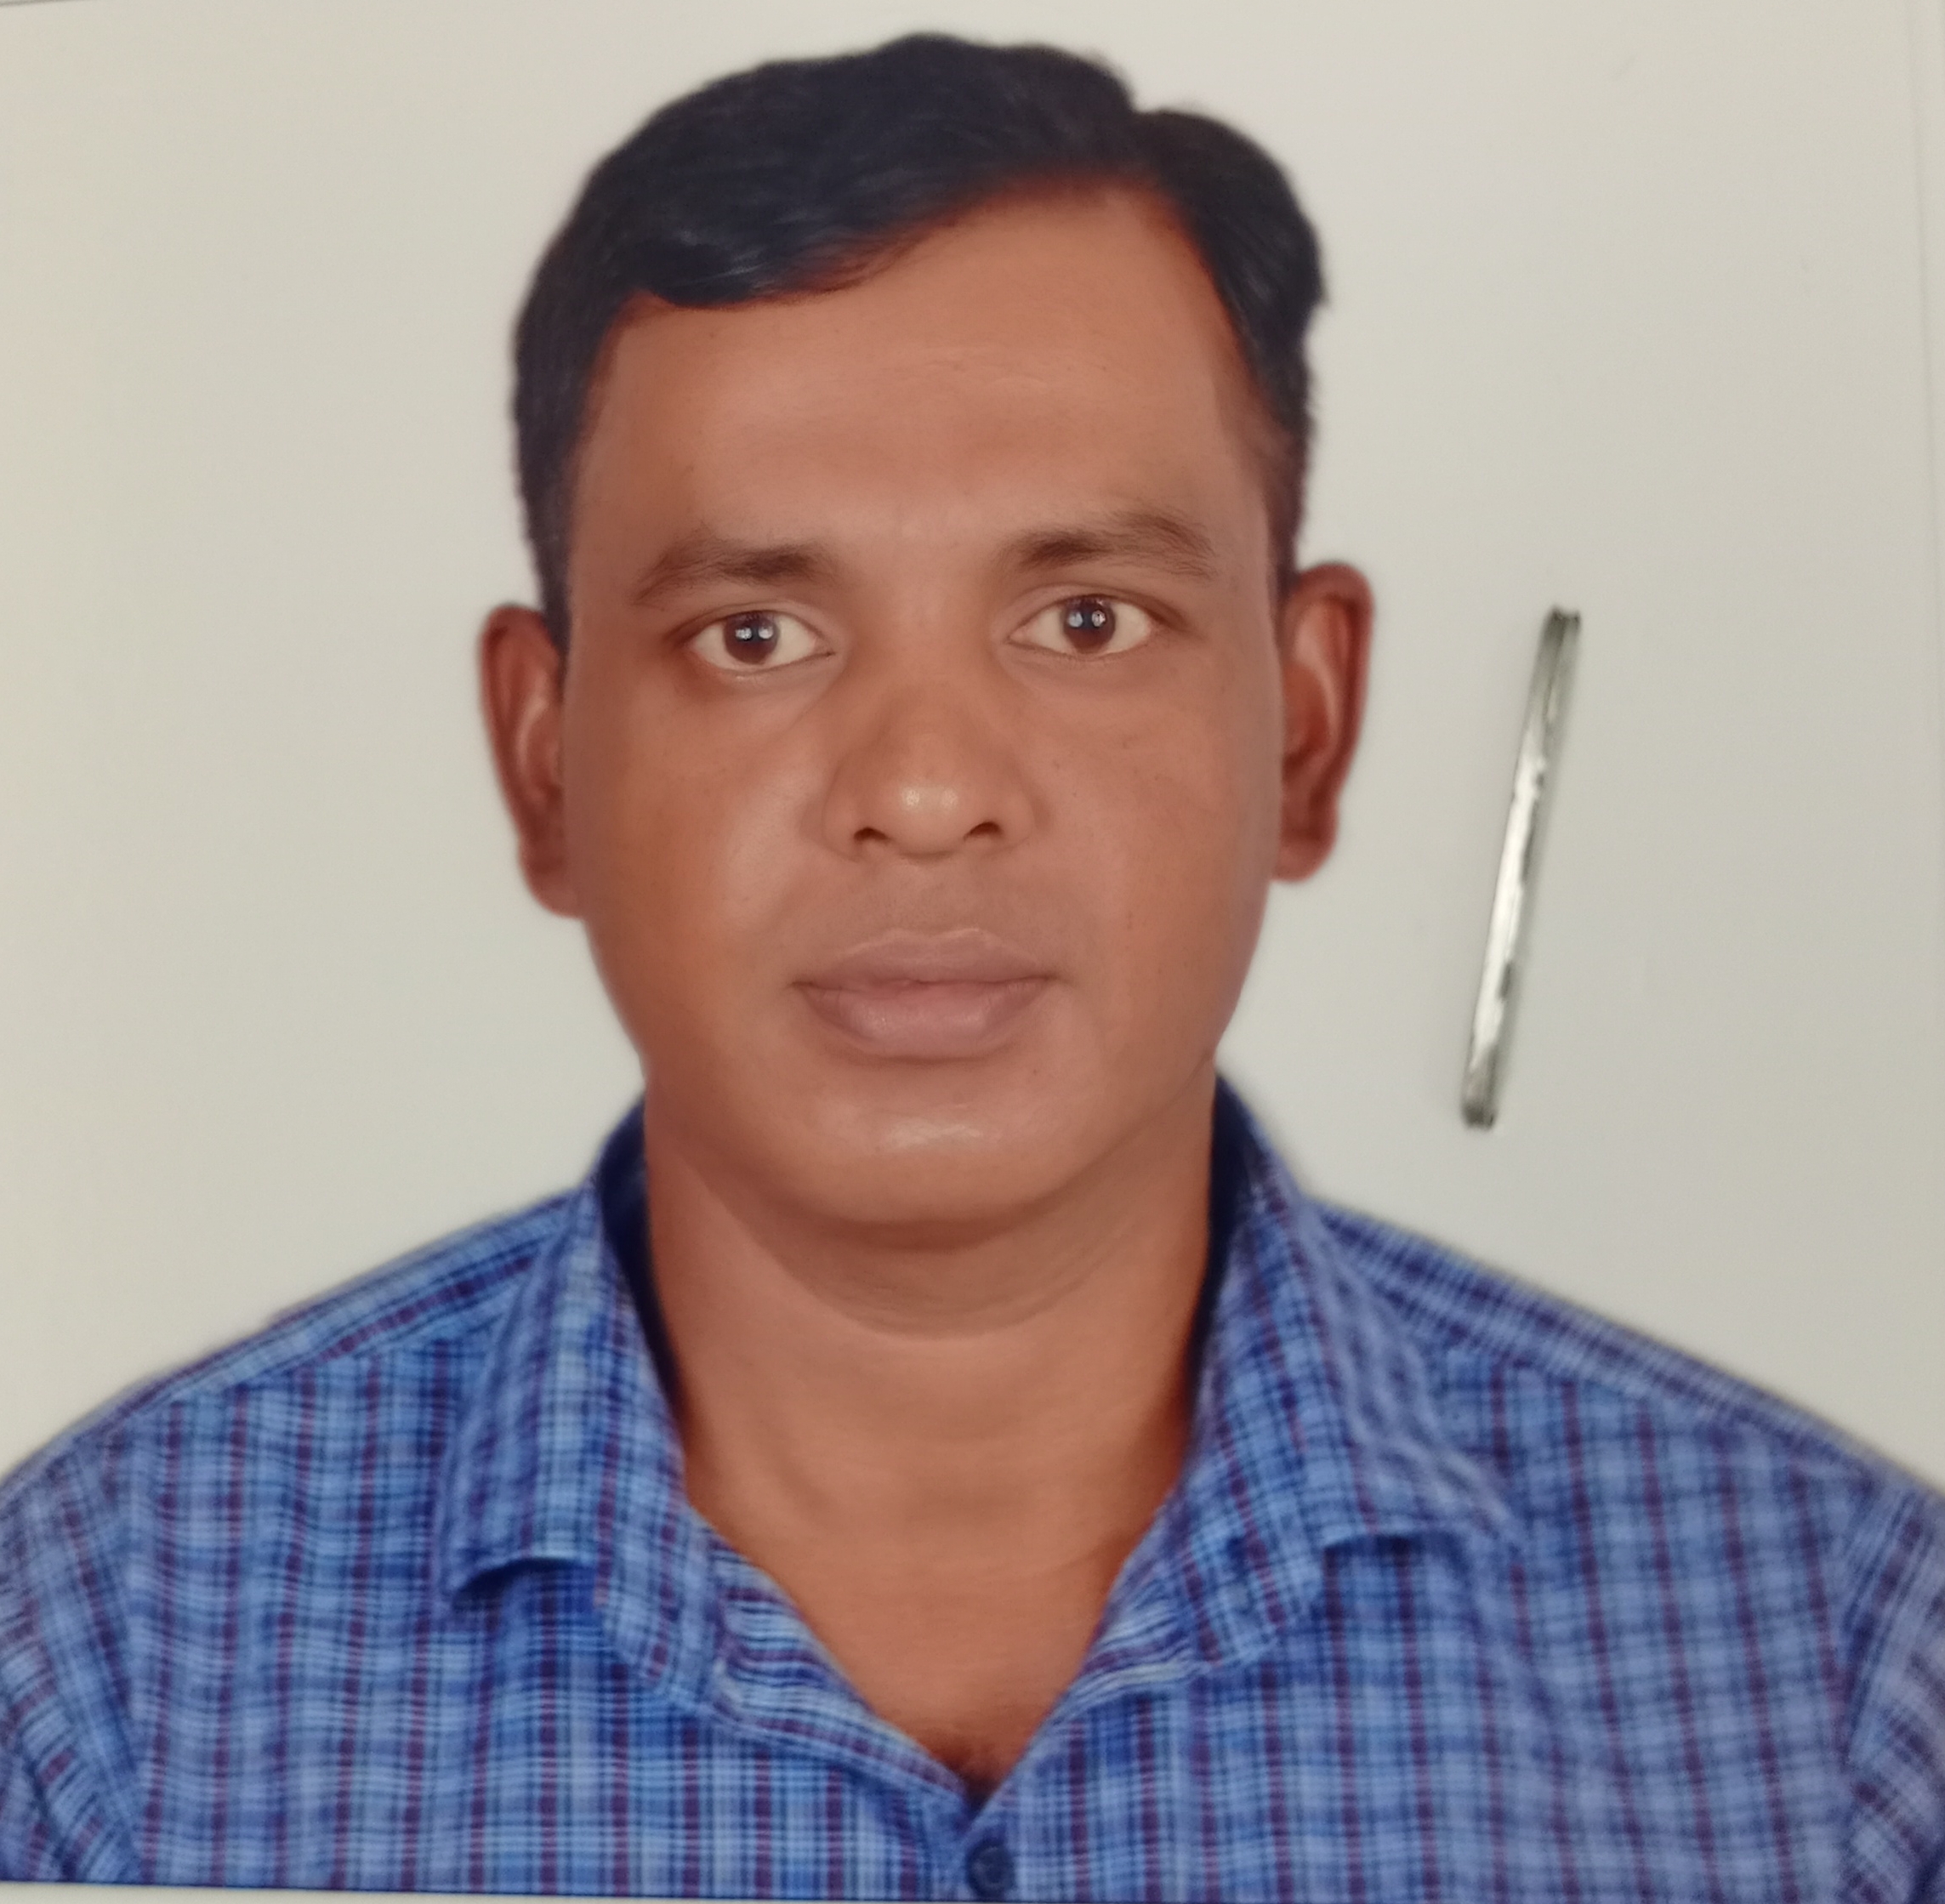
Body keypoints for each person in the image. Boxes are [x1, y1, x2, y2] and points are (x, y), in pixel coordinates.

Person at [2, 30, 1941, 1901]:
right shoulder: (98, 1682)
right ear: (545, 766)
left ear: (1304, 728)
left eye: (1087, 618)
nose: (924, 794)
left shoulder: (1848, 1691)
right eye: (755, 635)